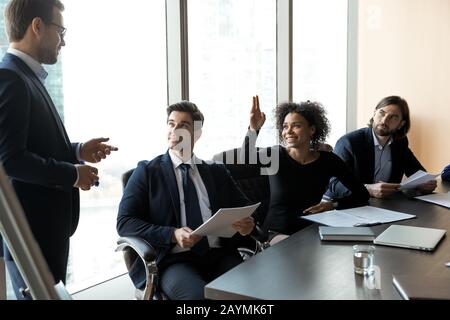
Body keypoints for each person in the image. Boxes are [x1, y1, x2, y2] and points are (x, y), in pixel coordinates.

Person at [0, 0, 117, 299]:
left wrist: (77, 150)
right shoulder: (11, 78)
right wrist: (72, 174)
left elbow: (33, 144)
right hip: (32, 236)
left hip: (45, 232)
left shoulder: (26, 77)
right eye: (60, 30)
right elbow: (11, 160)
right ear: (37, 27)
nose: (63, 40)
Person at [117, 101, 255, 300]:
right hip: (174, 260)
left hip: (219, 254)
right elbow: (125, 222)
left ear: (197, 134)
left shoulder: (216, 171)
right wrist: (172, 234)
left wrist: (247, 224)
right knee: (198, 300)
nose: (174, 130)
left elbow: (245, 208)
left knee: (250, 293)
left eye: (183, 125)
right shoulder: (147, 172)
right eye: (171, 123)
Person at [243, 96, 369, 241]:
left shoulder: (328, 160)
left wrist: (333, 205)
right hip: (277, 232)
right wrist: (254, 129)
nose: (288, 131)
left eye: (296, 126)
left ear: (312, 129)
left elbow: (362, 195)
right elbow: (246, 158)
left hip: (313, 230)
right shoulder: (276, 155)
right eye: (285, 126)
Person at [326, 95, 436, 199]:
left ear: (401, 124)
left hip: (382, 205)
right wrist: (367, 189)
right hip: (345, 204)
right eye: (381, 113)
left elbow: (417, 172)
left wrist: (425, 183)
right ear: (374, 114)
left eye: (393, 117)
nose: (384, 120)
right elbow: (334, 183)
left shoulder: (400, 142)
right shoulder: (349, 142)